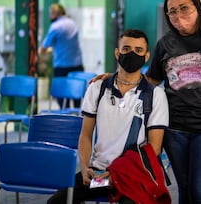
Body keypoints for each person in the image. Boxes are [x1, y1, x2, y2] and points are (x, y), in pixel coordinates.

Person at [93, 0, 201, 203]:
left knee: (200, 190)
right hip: (175, 130)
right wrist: (117, 76)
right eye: (172, 11)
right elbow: (151, 80)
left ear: (198, 8)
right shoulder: (166, 43)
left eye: (184, 8)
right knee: (184, 189)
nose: (177, 15)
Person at [47, 29, 170, 204]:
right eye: (126, 49)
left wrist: (116, 174)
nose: (132, 54)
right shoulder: (97, 88)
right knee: (57, 201)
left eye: (139, 50)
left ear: (147, 56)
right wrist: (84, 167)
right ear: (117, 52)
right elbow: (86, 135)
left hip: (133, 176)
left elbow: (154, 148)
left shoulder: (155, 95)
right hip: (99, 175)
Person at [39, 3, 84, 108]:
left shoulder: (55, 27)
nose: (49, 16)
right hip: (77, 64)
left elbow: (44, 47)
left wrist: (43, 51)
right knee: (77, 96)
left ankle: (66, 119)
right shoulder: (72, 23)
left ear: (55, 14)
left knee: (62, 99)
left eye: (51, 13)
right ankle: (77, 119)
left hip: (62, 65)